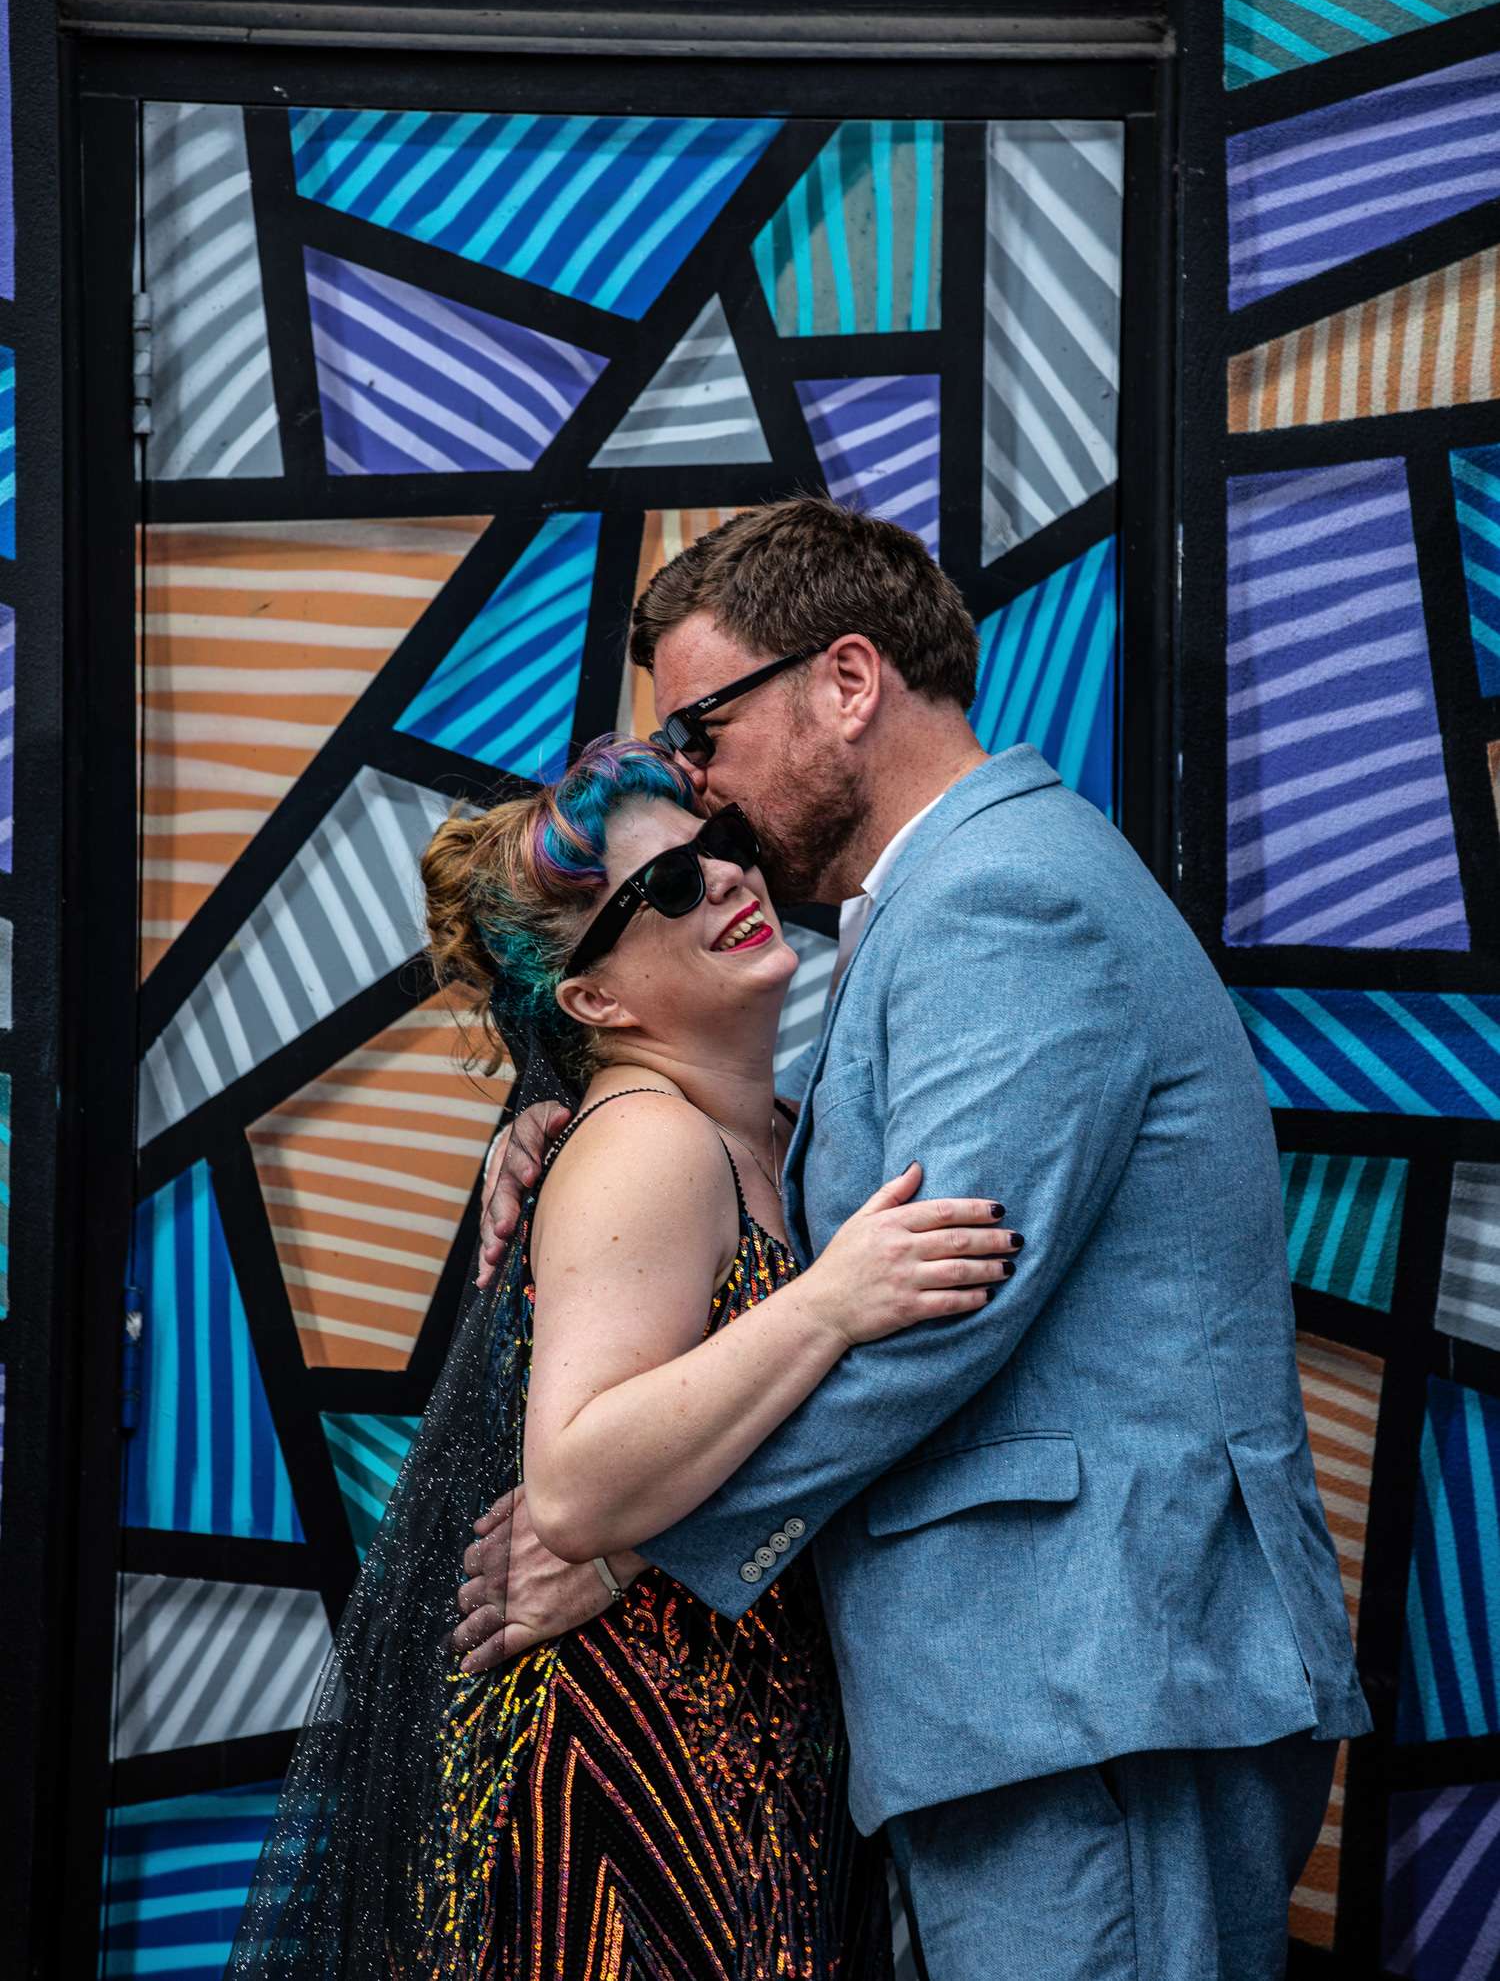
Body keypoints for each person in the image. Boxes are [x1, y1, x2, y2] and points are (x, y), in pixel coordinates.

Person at [465, 500, 1371, 1981]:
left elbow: (943, 1304)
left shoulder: (999, 897)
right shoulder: (948, 897)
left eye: (705, 728)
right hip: (1044, 1690)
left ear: (846, 680)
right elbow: (873, 1208)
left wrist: (638, 1544)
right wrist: (588, 1120)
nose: (701, 782)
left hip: (1089, 1677)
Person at [231, 733, 1015, 1980]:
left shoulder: (777, 1131)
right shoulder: (646, 1143)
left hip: (736, 1749)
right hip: (624, 1772)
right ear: (594, 1003)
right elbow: (577, 1483)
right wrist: (828, 1305)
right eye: (668, 886)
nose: (727, 879)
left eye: (720, 846)